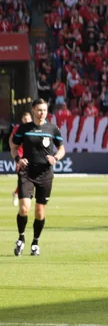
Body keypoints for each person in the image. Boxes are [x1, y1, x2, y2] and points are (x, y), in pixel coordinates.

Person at [10, 99, 65, 257]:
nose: (42, 113)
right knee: (24, 209)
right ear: (33, 110)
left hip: (45, 174)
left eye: (45, 110)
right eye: (39, 110)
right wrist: (18, 160)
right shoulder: (24, 128)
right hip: (26, 172)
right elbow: (14, 147)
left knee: (40, 213)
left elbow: (61, 148)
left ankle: (35, 242)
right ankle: (21, 238)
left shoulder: (52, 128)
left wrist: (55, 158)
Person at [10, 111, 31, 207]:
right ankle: (20, 196)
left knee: (29, 177)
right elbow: (11, 139)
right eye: (25, 119)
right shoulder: (18, 128)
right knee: (22, 175)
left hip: (30, 154)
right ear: (22, 120)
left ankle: (16, 192)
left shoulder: (33, 128)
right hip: (20, 154)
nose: (26, 120)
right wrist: (13, 151)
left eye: (28, 119)